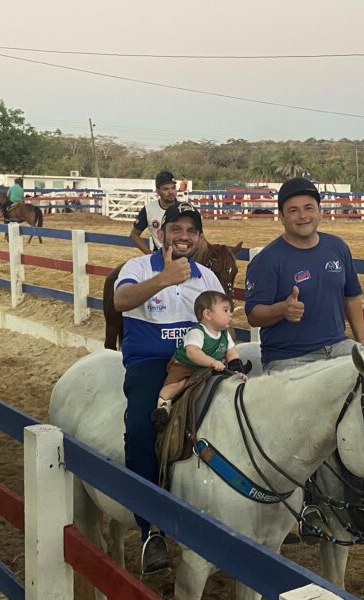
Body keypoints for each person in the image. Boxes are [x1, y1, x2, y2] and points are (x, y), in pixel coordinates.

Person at [113, 201, 224, 573]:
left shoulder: (207, 277)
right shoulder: (138, 267)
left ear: (198, 237)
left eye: (192, 230)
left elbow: (223, 324)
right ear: (161, 232)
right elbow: (120, 300)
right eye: (176, 228)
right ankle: (150, 530)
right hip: (150, 363)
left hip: (200, 364)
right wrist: (164, 279)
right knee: (142, 428)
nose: (184, 236)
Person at [244, 177, 364, 373]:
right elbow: (253, 316)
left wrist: (362, 342)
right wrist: (282, 309)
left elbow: (352, 297)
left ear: (320, 212)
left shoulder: (337, 247)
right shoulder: (267, 260)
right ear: (281, 217)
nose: (303, 215)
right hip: (289, 357)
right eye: (293, 210)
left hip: (339, 347)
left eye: (309, 208)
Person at [154, 290, 246, 425]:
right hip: (185, 366)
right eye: (225, 310)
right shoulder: (197, 332)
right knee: (176, 385)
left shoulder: (224, 335)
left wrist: (237, 368)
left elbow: (231, 352)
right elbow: (193, 353)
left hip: (208, 368)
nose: (230, 314)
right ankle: (163, 407)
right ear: (208, 314)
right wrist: (213, 362)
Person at [129, 171, 180, 254]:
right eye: (166, 189)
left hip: (183, 257)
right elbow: (134, 235)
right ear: (158, 191)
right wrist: (150, 254)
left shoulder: (186, 207)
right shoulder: (148, 210)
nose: (171, 192)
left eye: (173, 188)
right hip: (160, 258)